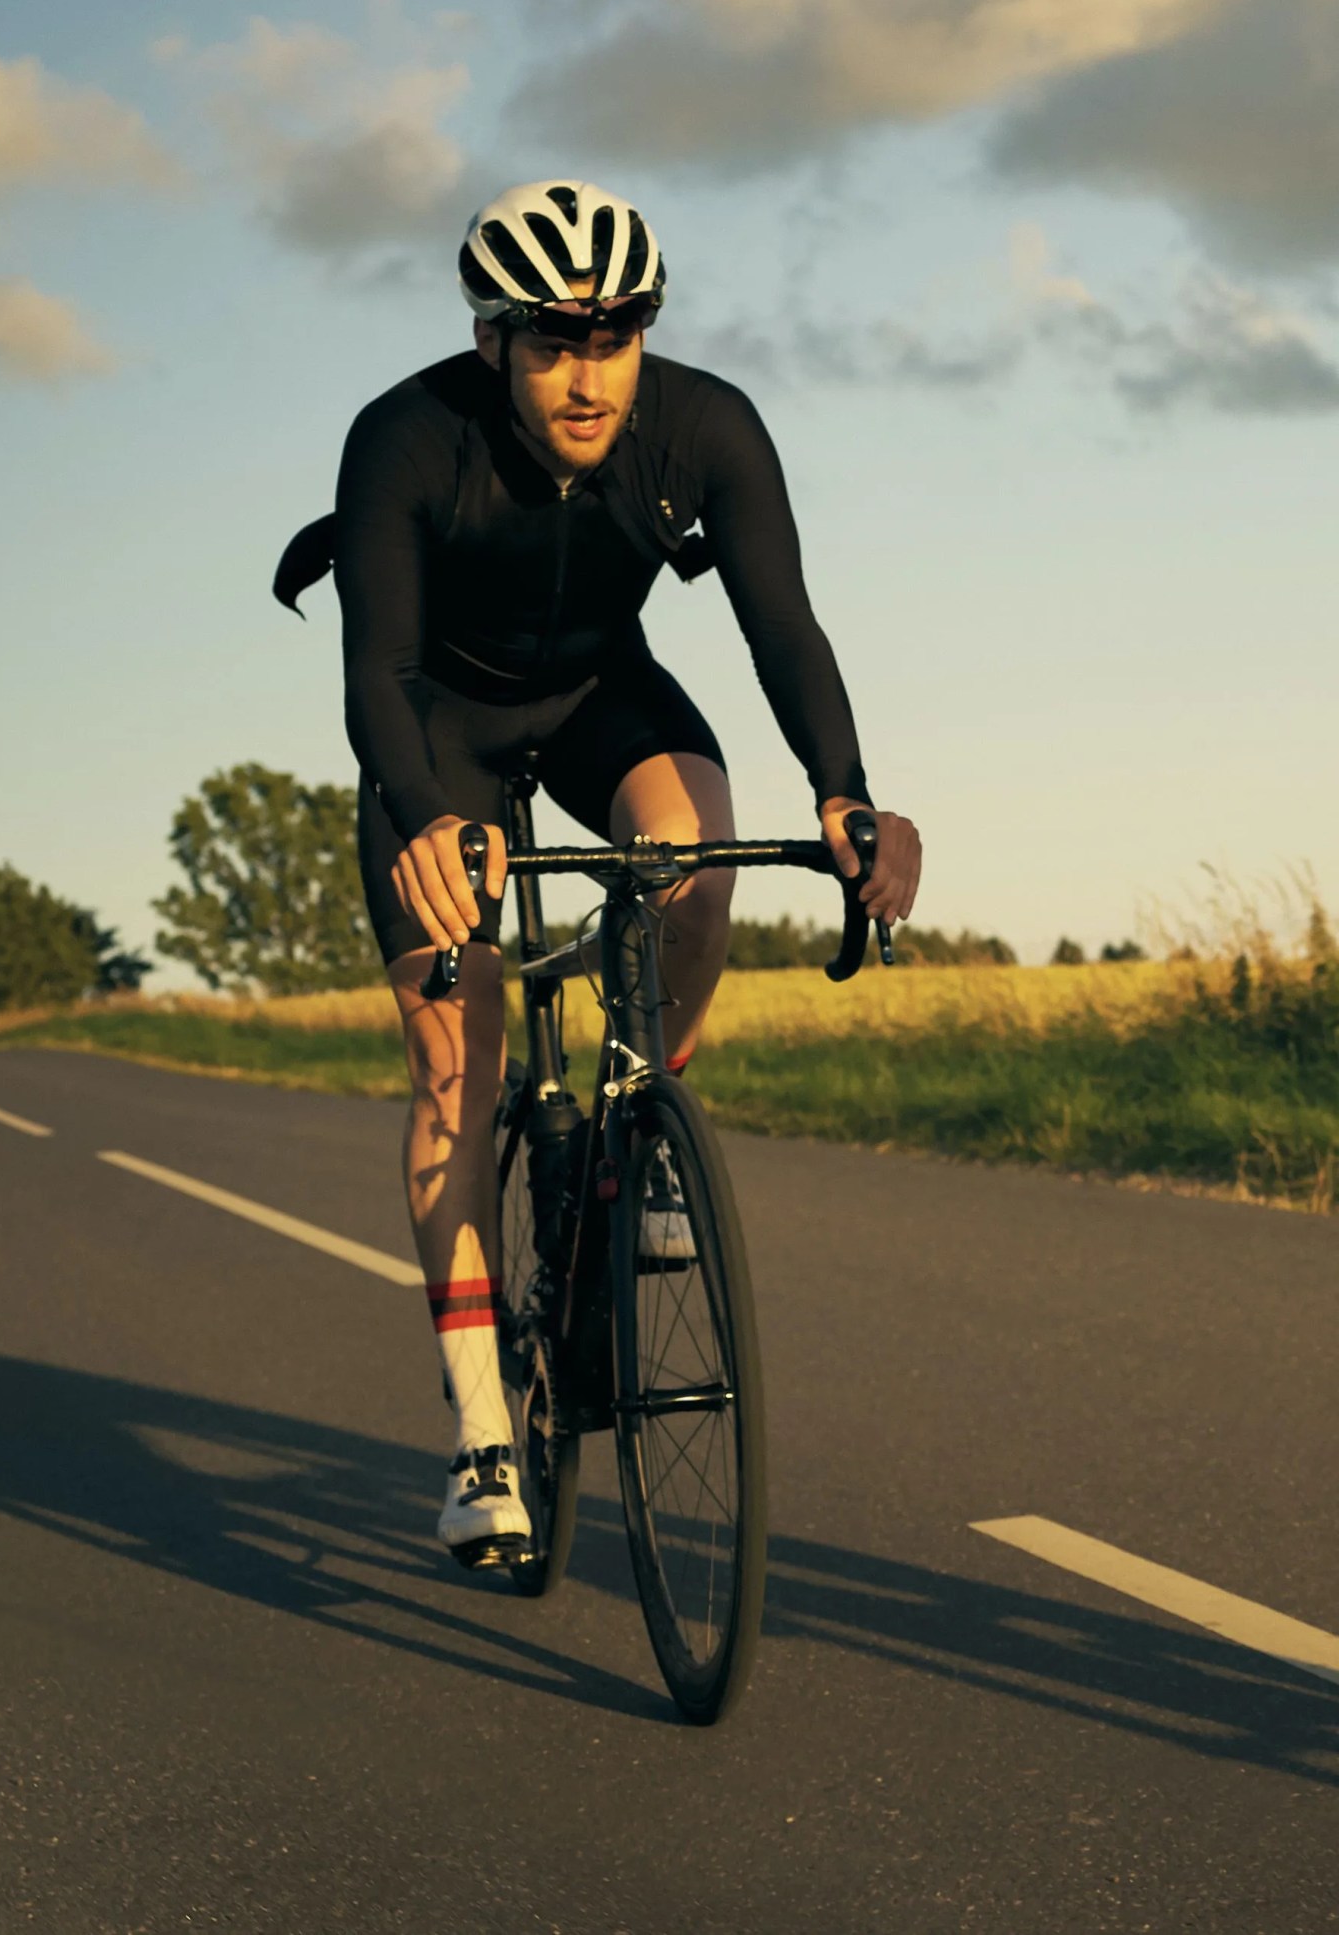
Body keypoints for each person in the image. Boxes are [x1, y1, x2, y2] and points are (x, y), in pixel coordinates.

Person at [275, 179, 922, 1565]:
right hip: (437, 729)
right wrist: (421, 822)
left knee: (694, 857)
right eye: (554, 341)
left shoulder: (707, 427)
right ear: (493, 339)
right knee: (457, 1058)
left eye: (616, 336)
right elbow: (375, 669)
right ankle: (482, 1440)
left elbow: (783, 631)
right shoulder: (403, 437)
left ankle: (645, 1115)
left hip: (598, 698)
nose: (587, 374)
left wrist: (852, 795)